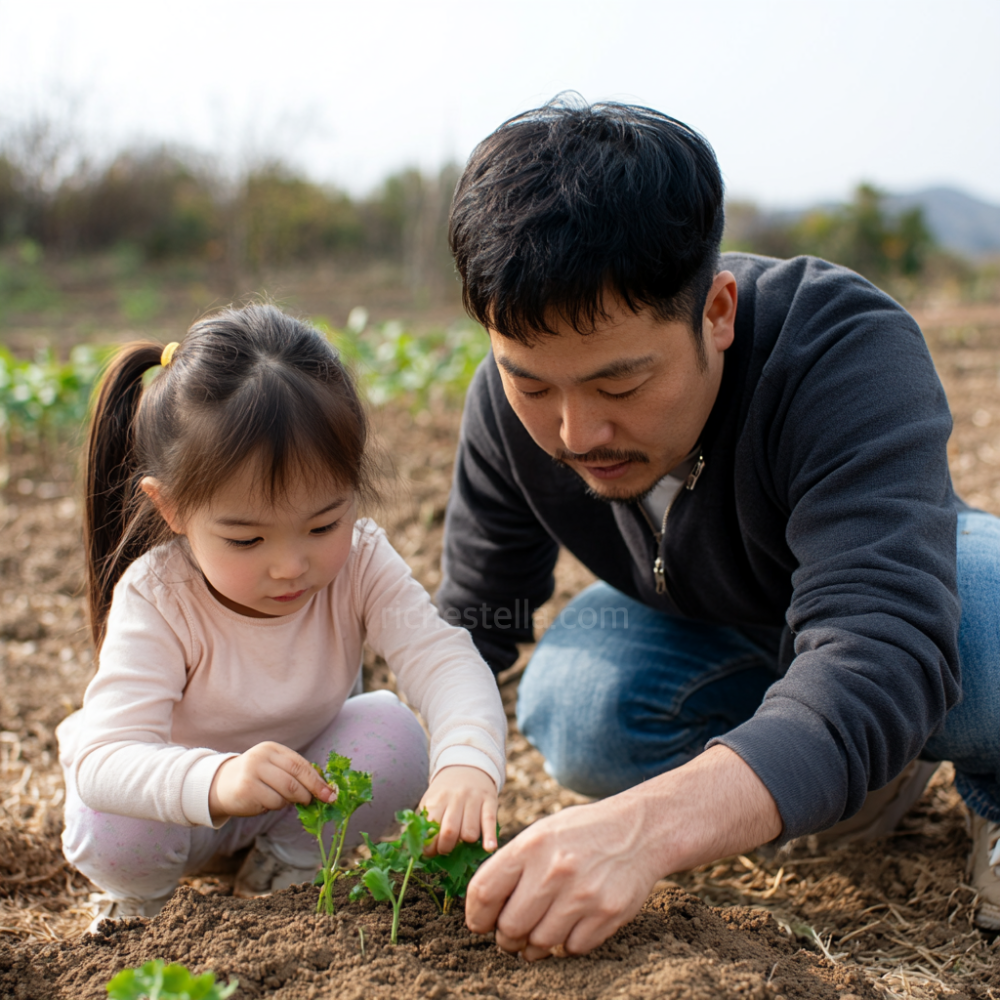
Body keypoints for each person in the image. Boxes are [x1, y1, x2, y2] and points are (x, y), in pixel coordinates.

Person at [436, 97, 1000, 959]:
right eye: (534, 385)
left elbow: (881, 644)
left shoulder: (842, 349)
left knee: (981, 627)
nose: (576, 433)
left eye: (620, 385)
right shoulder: (506, 406)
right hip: (724, 630)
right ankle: (860, 773)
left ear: (718, 312)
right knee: (579, 702)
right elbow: (477, 622)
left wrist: (646, 829)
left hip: (891, 600)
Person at [57, 304, 506, 933]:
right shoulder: (160, 595)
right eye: (247, 539)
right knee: (113, 823)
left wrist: (468, 763)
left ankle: (285, 867)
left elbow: (444, 660)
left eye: (323, 525)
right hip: (171, 811)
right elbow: (105, 760)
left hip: (298, 799)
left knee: (397, 736)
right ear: (172, 508)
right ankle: (143, 904)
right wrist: (220, 780)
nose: (291, 566)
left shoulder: (360, 561)